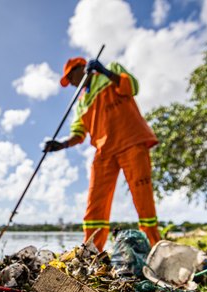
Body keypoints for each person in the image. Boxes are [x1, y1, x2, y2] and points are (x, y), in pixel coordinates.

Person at [44, 57, 161, 252]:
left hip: (131, 140)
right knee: (95, 203)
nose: (71, 83)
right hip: (104, 151)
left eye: (70, 77)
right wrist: (61, 145)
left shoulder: (110, 71)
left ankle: (154, 246)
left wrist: (105, 71)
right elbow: (79, 133)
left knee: (143, 198)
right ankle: (91, 251)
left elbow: (132, 87)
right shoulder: (81, 102)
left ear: (81, 68)